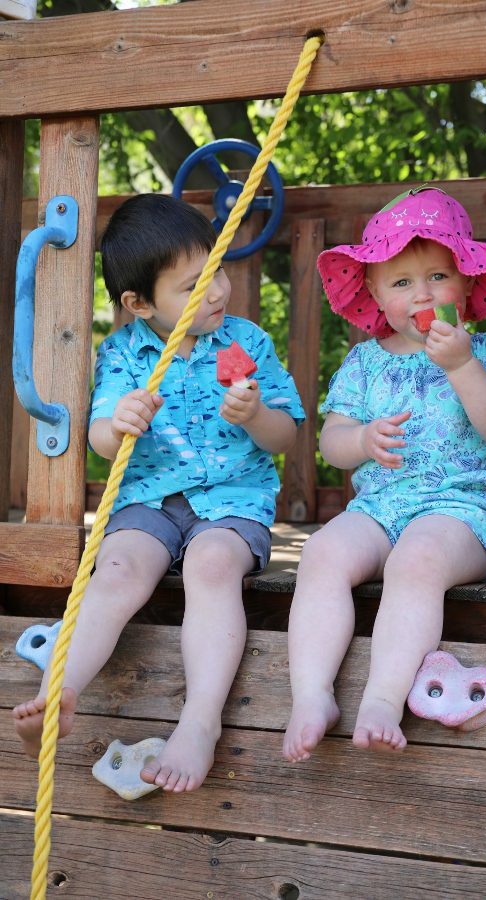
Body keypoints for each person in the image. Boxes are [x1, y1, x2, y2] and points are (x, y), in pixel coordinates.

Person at [14, 193, 305, 792]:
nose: (219, 290)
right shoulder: (124, 353)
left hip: (231, 501)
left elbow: (286, 434)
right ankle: (56, 695)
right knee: (116, 567)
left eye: (218, 270)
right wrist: (116, 421)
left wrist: (254, 415)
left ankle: (199, 723)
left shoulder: (245, 343)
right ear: (139, 302)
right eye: (196, 284)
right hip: (148, 500)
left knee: (212, 564)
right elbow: (98, 436)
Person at [283, 185, 486, 761]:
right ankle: (312, 694)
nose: (422, 294)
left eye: (438, 277)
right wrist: (362, 440)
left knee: (414, 560)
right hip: (379, 509)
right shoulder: (366, 362)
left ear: (467, 281)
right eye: (401, 283)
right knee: (321, 554)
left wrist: (463, 365)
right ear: (374, 291)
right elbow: (331, 444)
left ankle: (382, 699)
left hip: (463, 513)